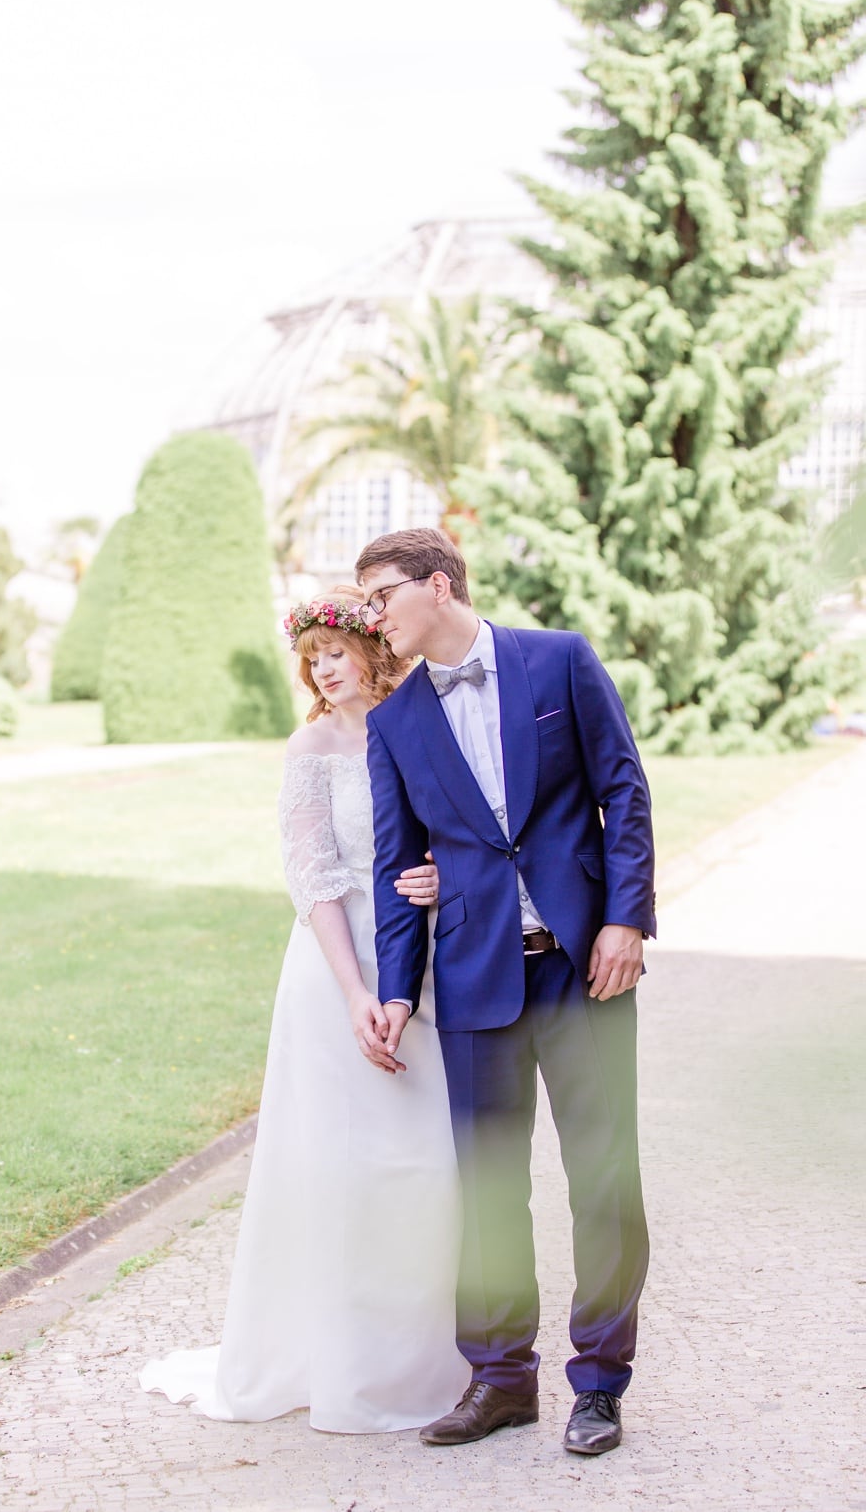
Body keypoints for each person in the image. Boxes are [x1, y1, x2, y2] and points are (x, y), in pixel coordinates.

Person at [353, 528, 655, 1457]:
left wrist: (625, 918)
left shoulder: (558, 661)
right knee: (487, 1188)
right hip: (478, 978)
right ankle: (500, 1378)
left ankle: (599, 1383)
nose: (373, 617)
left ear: (438, 585)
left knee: (603, 1179)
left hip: (581, 968)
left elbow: (623, 789)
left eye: (381, 597)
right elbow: (397, 867)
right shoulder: (393, 722)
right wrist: (397, 990)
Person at [139, 587, 468, 1432]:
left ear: (371, 650)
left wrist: (440, 878)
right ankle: (335, 1360)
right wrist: (356, 990)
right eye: (312, 658)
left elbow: (465, 832)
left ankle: (424, 1355)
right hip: (336, 970)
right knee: (338, 1163)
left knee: (424, 1160)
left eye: (335, 652)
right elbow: (313, 876)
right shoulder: (311, 744)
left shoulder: (417, 722)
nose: (323, 670)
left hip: (422, 958)